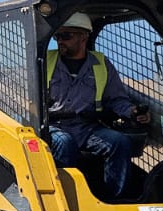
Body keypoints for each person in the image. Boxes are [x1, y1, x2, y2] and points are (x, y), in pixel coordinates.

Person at [45, 12, 150, 199]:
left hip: (87, 127)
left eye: (66, 36)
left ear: (83, 37)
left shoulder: (101, 64)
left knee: (119, 142)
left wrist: (132, 112)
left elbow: (116, 99)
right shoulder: (45, 62)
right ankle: (67, 200)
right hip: (53, 127)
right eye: (57, 36)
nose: (60, 41)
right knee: (64, 143)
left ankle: (114, 198)